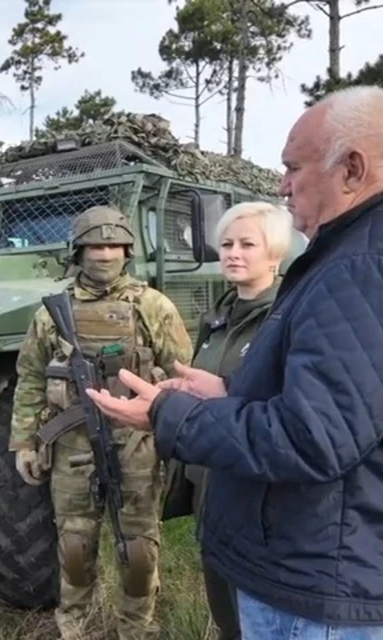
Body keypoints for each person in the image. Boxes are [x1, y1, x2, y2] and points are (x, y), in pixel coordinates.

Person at [83, 85, 383, 640]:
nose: (281, 184)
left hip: (319, 584)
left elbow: (313, 438)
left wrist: (170, 414)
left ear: (352, 169)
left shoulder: (369, 267)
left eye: (293, 167)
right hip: (337, 560)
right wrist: (230, 395)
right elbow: (342, 407)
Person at [9, 204, 193, 640]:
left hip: (136, 445)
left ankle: (136, 628)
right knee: (74, 547)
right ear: (78, 251)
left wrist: (179, 436)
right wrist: (25, 443)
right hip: (72, 445)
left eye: (112, 244)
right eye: (94, 244)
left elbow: (185, 376)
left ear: (127, 250)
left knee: (138, 551)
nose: (104, 254)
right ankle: (75, 628)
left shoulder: (152, 306)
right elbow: (31, 377)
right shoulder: (51, 314)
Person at [161, 201, 294, 640]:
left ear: (274, 255)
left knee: (260, 617)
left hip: (255, 490)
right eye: (226, 244)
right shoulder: (217, 318)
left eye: (248, 244)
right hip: (210, 485)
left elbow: (289, 402)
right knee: (226, 616)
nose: (234, 253)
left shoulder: (288, 318)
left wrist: (227, 388)